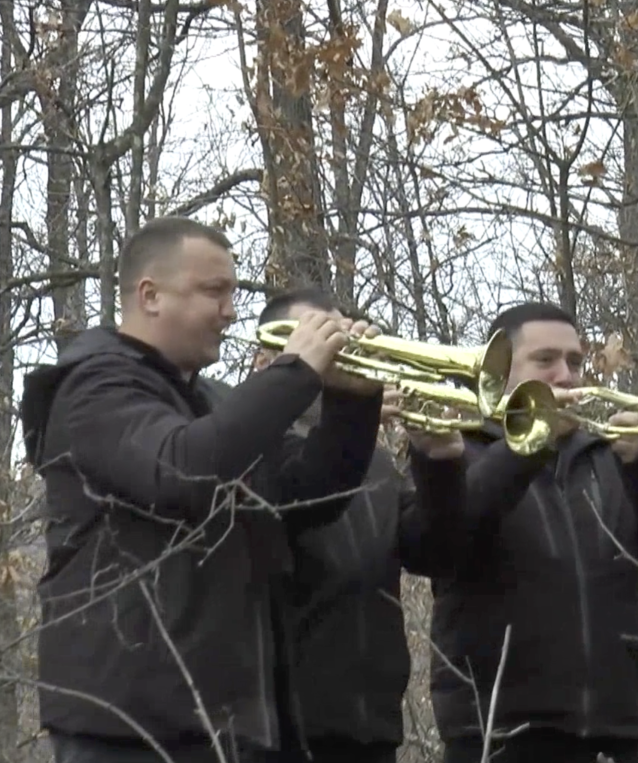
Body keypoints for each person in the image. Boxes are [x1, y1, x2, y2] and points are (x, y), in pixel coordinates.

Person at [18, 216, 386, 763]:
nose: (231, 312)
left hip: (226, 720)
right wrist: (294, 373)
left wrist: (353, 403)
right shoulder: (94, 389)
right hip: (130, 723)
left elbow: (308, 496)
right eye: (214, 292)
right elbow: (183, 471)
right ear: (150, 296)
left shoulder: (211, 400)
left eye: (232, 292)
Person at [426, 301, 638, 763]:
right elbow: (443, 542)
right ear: (498, 371)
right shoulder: (460, 450)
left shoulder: (609, 457)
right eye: (545, 361)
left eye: (575, 361)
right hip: (494, 731)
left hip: (610, 732)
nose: (566, 375)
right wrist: (529, 444)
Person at [247, 288, 467, 763]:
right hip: (277, 733)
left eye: (344, 342)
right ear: (266, 360)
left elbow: (432, 553)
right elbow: (305, 488)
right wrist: (349, 411)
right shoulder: (250, 449)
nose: (339, 354)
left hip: (370, 728)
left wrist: (439, 465)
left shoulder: (377, 464)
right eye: (321, 340)